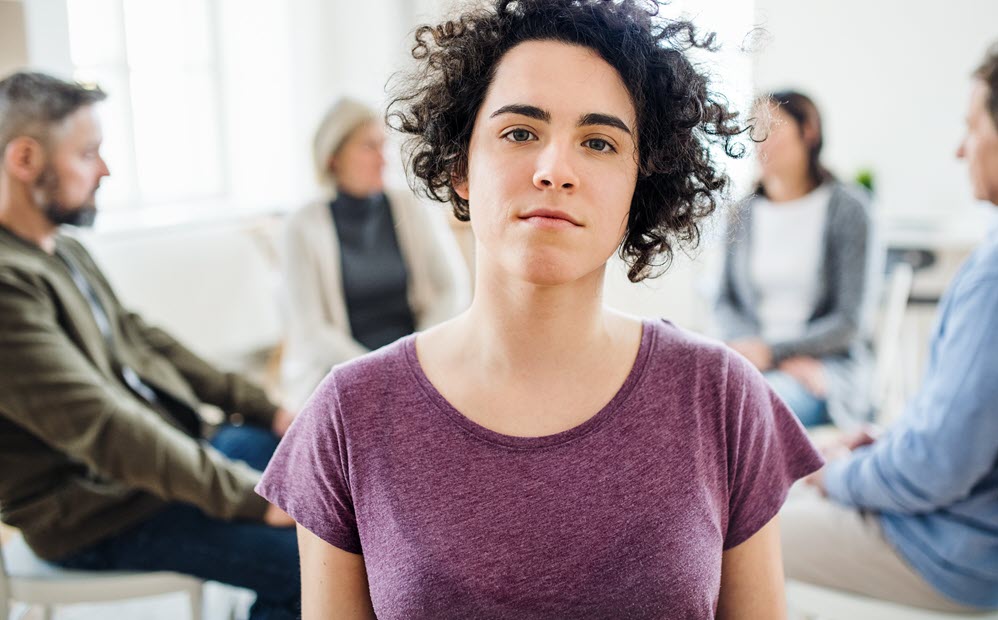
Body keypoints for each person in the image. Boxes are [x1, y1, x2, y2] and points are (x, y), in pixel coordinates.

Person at [258, 2, 824, 618]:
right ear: (460, 167)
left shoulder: (720, 397)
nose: (555, 170)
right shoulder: (348, 414)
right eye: (520, 133)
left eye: (600, 142)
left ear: (641, 186)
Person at [0, 72, 299, 619]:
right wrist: (245, 497)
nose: (105, 170)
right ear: (24, 160)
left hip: (152, 471)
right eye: (88, 154)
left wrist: (268, 408)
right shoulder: (5, 285)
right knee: (317, 560)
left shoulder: (61, 249)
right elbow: (104, 424)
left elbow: (144, 340)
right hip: (95, 514)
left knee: (314, 464)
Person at [780, 45, 998, 612]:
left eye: (972, 128)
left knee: (734, 532)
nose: (960, 149)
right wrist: (892, 443)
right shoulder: (745, 211)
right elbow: (960, 433)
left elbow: (940, 463)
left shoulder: (993, 274)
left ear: (808, 133)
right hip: (954, 510)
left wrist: (843, 478)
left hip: (956, 551)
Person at [280, 97, 470, 408]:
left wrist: (415, 361)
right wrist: (379, 374)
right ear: (333, 157)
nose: (384, 160)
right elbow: (312, 331)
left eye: (384, 146)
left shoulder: (410, 206)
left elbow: (452, 287)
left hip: (418, 363)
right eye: (369, 147)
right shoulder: (301, 226)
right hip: (342, 372)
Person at [716, 91, 878, 429]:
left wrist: (773, 352)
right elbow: (725, 302)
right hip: (753, 364)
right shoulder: (741, 213)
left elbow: (850, 322)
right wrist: (759, 355)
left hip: (823, 370)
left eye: (771, 128)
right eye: (753, 129)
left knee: (748, 410)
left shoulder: (850, 210)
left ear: (809, 132)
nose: (760, 140)